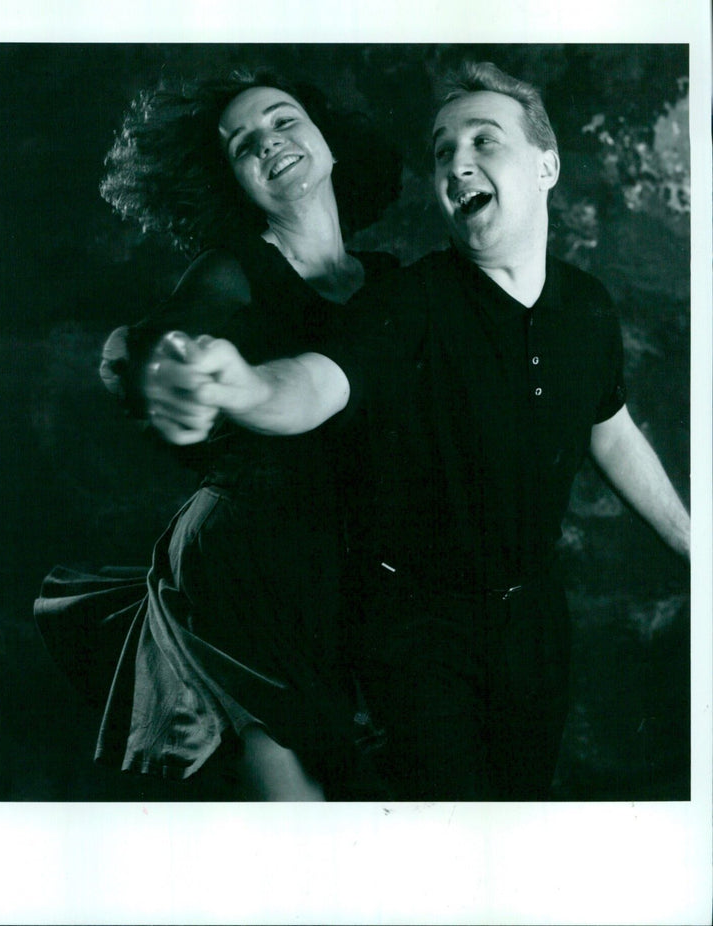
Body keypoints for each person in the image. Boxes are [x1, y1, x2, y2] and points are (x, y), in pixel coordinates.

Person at [151, 61, 691, 800]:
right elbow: (313, 382)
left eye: (482, 140)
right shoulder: (406, 300)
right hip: (359, 603)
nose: (458, 161)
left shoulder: (582, 305)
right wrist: (236, 384)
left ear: (547, 164)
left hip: (519, 616)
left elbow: (609, 428)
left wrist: (696, 545)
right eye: (442, 150)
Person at [35, 68, 402, 800]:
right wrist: (165, 373)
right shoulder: (232, 273)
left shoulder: (391, 282)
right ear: (236, 181)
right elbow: (151, 343)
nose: (270, 142)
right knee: (299, 811)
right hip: (248, 560)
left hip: (347, 565)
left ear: (329, 141)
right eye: (243, 145)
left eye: (283, 120)